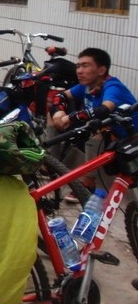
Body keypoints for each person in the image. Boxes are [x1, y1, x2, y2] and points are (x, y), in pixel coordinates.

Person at [49, 47, 138, 198]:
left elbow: (105, 109)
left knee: (97, 130)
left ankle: (88, 184)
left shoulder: (113, 86)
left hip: (128, 137)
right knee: (52, 115)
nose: (79, 71)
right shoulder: (85, 86)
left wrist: (71, 117)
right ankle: (51, 164)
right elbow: (60, 97)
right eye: (78, 66)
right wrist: (59, 112)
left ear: (102, 70)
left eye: (85, 66)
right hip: (110, 131)